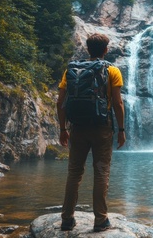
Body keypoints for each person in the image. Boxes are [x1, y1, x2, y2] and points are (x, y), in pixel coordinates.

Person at [56, 33, 126, 232]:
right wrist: (121, 130)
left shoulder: (71, 70)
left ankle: (67, 219)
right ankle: (100, 220)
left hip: (77, 128)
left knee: (74, 173)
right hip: (102, 128)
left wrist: (62, 129)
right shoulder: (112, 70)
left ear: (87, 49)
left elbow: (60, 102)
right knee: (101, 172)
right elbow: (118, 103)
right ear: (105, 50)